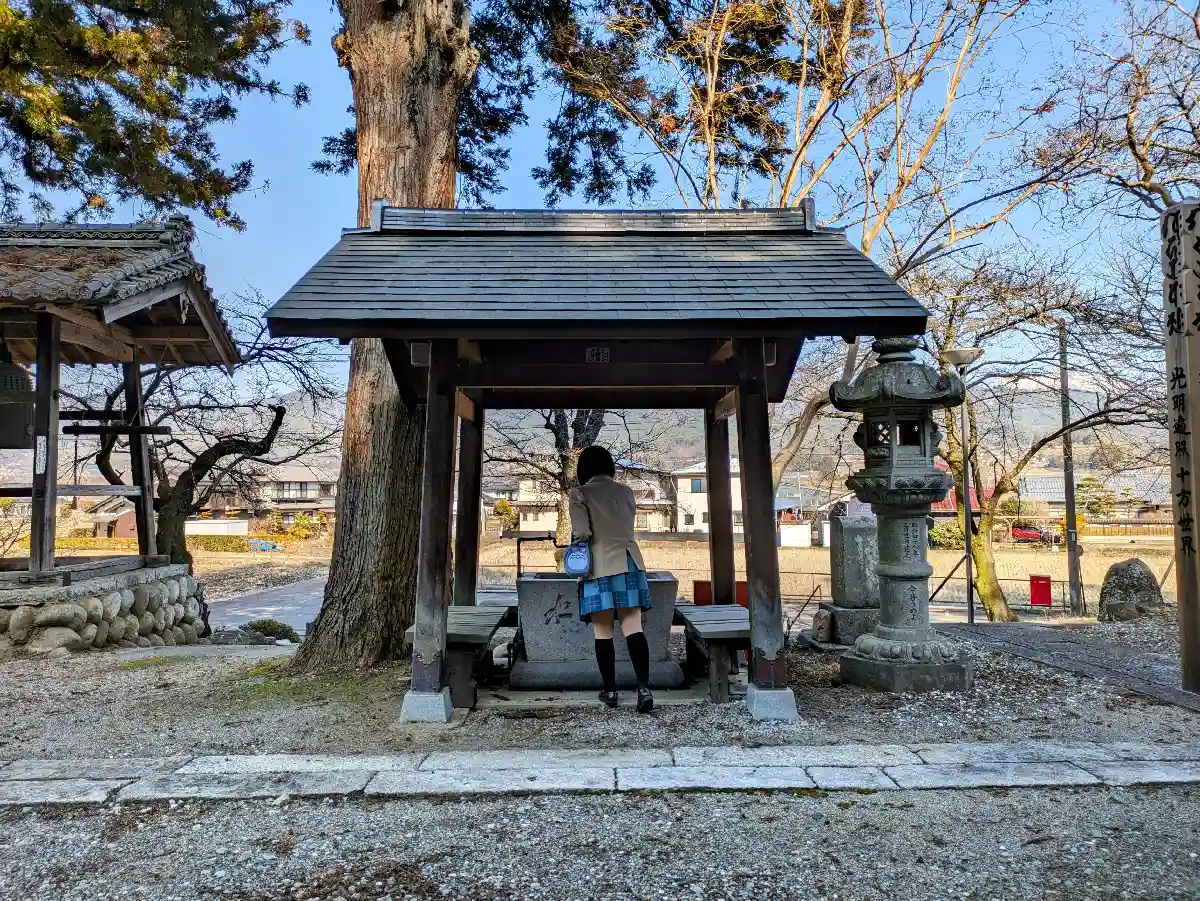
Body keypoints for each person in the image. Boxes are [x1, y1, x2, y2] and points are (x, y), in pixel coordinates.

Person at [570, 445, 654, 713]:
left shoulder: (580, 493)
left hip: (599, 566)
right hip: (630, 562)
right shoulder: (626, 492)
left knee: (603, 630)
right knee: (633, 626)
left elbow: (582, 533)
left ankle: (610, 692)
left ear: (584, 469)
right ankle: (643, 689)